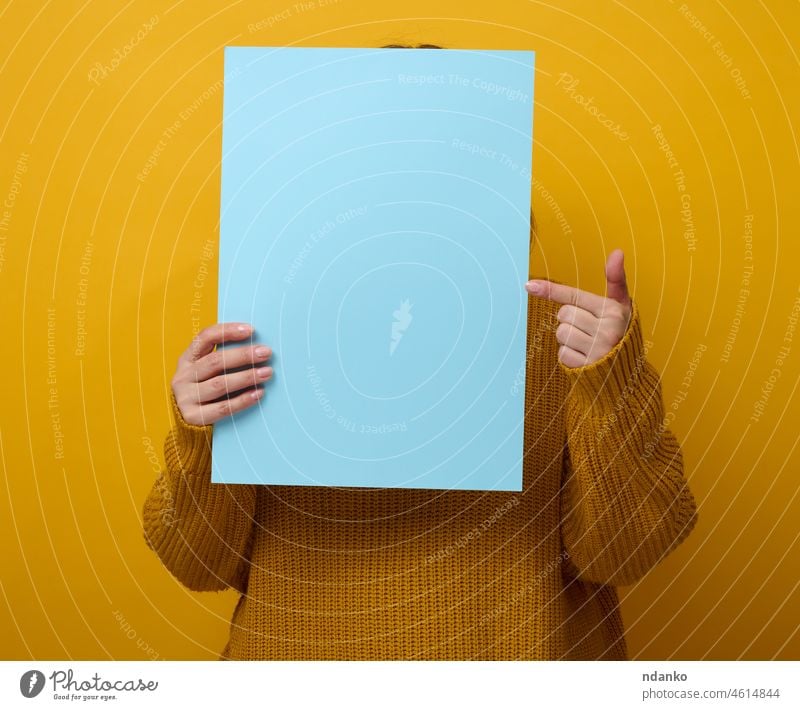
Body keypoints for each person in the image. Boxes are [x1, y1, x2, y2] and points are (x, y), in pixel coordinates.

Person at [142, 44, 698, 661]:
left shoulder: (568, 346)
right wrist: (198, 434)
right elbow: (198, 563)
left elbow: (628, 551)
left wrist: (610, 388)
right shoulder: (263, 341)